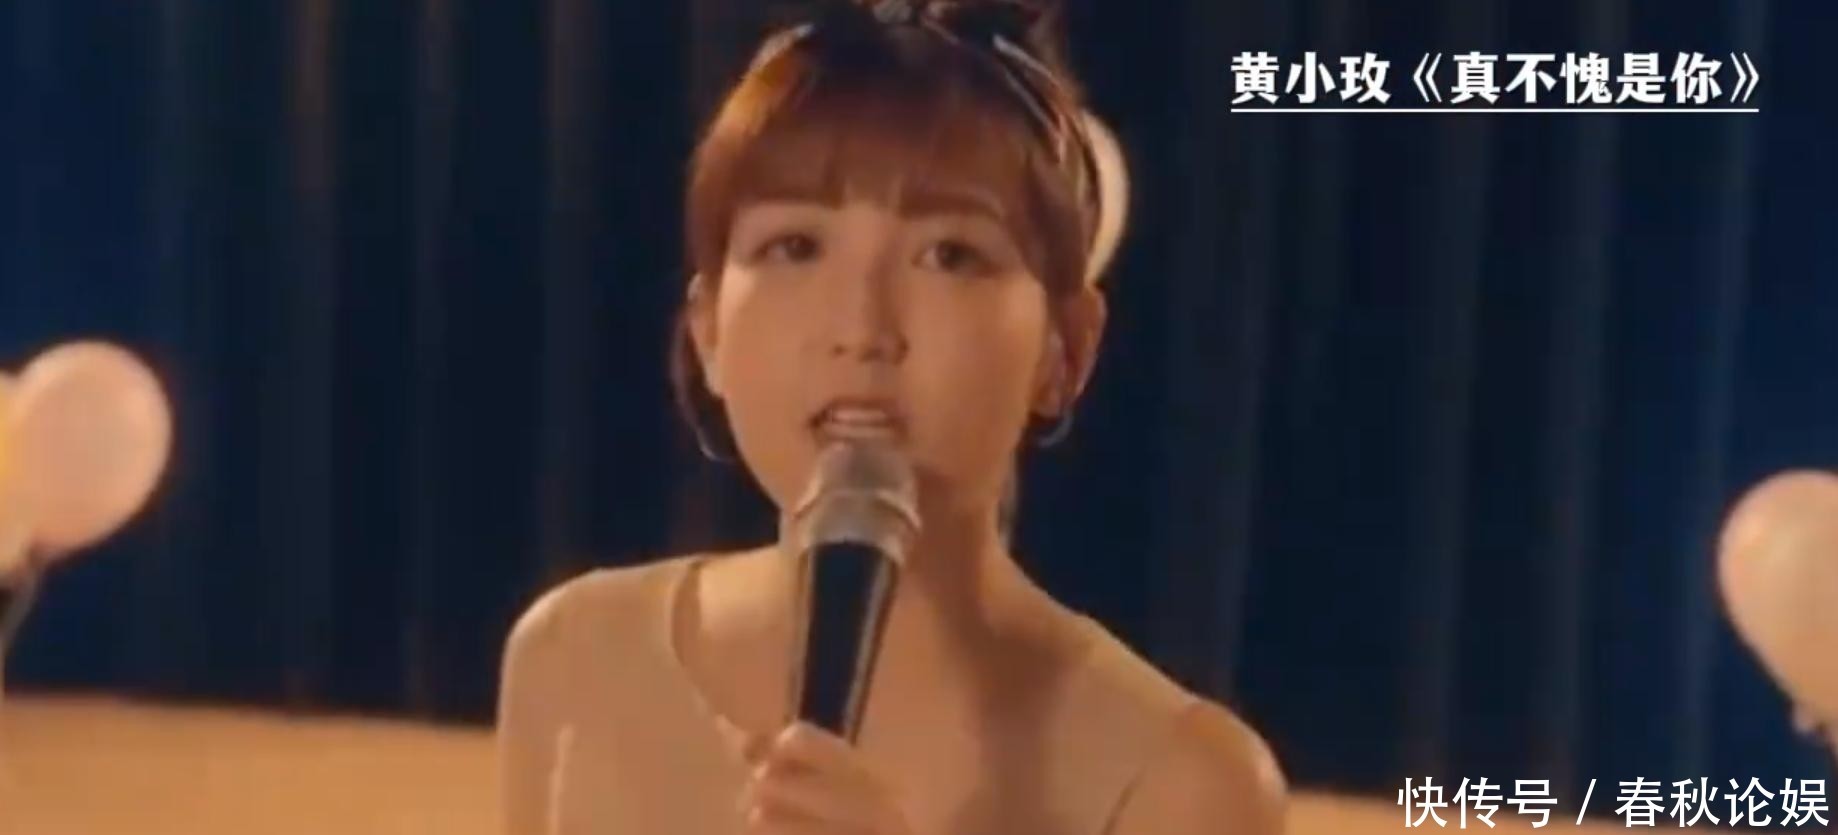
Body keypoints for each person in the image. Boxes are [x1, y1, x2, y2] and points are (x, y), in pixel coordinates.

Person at [497, 1, 1287, 832]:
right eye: (795, 246)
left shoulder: (1188, 782)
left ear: (1066, 348)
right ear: (709, 332)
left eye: (949, 254)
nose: (861, 327)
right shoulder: (575, 657)